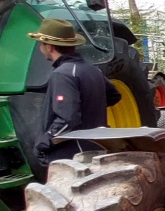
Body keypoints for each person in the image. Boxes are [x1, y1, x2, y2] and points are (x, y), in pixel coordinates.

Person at [28, 19, 121, 164]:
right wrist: (88, 107)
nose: (40, 48)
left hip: (73, 153)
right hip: (96, 146)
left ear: (49, 47)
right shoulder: (93, 70)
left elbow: (68, 119)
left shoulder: (62, 74)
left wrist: (44, 143)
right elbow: (114, 96)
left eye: (41, 44)